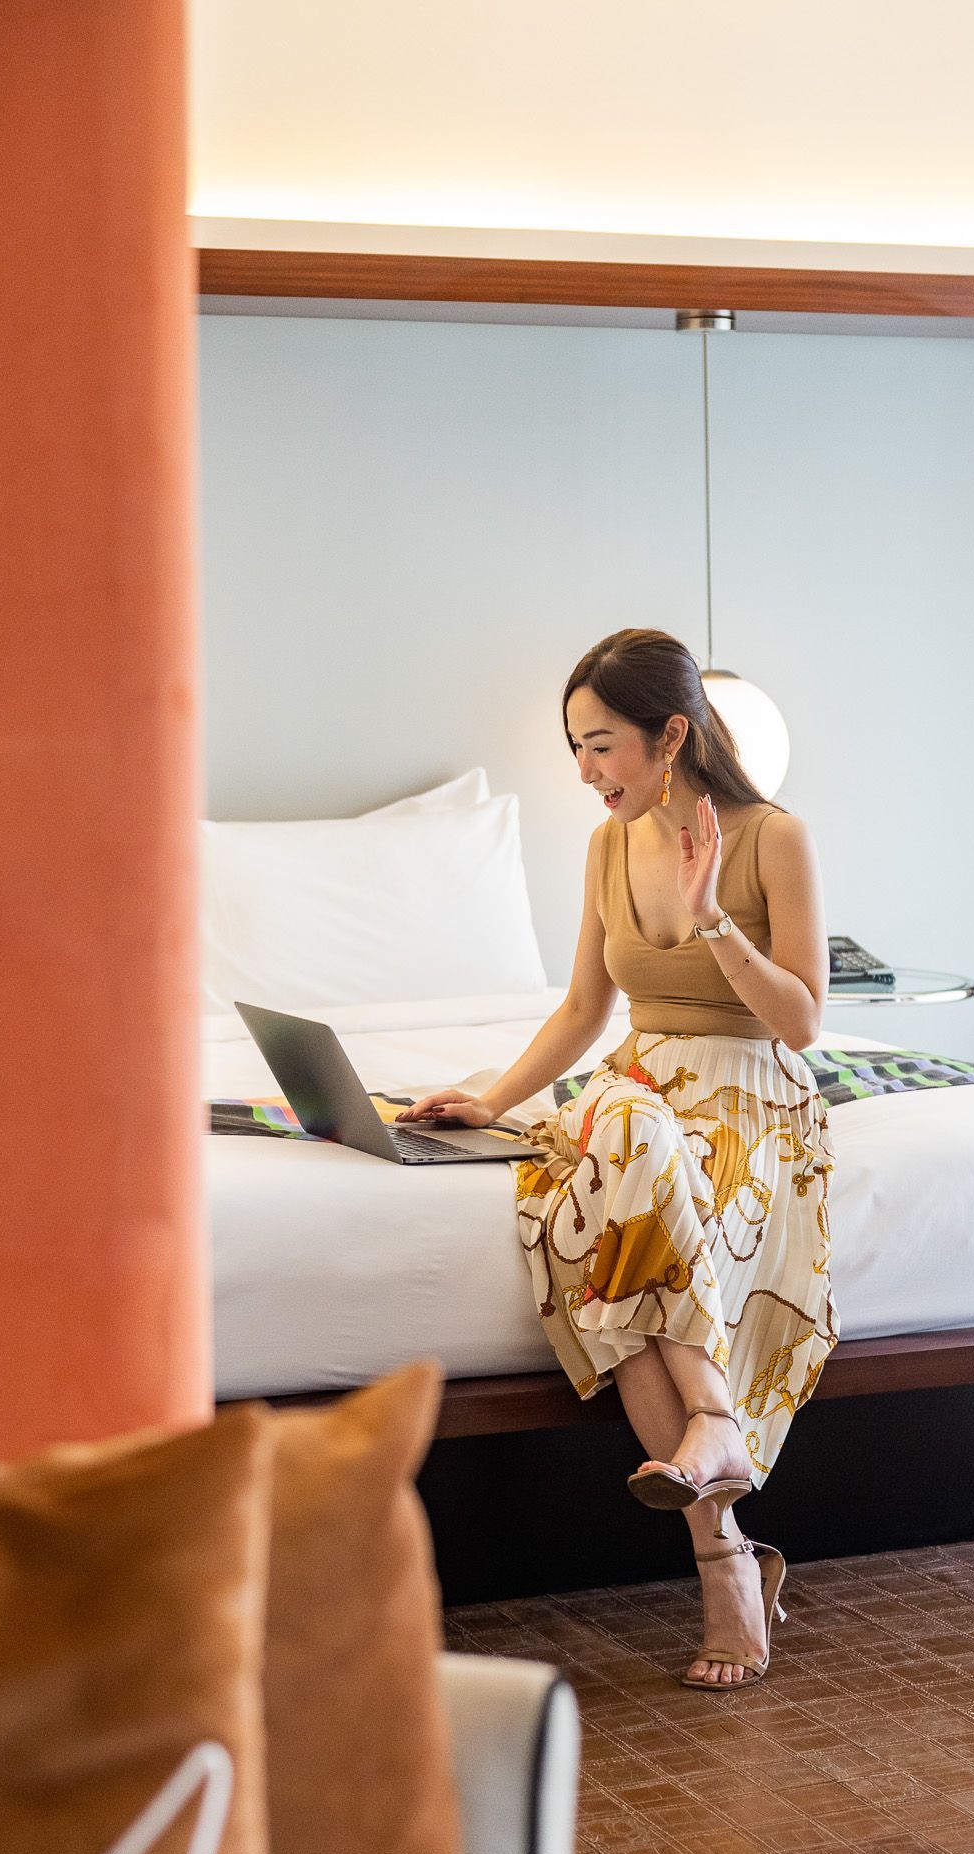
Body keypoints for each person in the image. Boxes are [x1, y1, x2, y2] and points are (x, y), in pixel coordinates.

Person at [397, 628, 840, 1687]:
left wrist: (712, 921)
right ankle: (720, 1505)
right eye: (575, 748)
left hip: (752, 1099)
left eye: (600, 746)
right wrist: (489, 1097)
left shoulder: (774, 835)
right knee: (623, 1139)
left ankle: (721, 1533)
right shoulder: (606, 846)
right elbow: (585, 1009)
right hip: (643, 1094)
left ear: (669, 734)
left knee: (616, 1219)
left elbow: (803, 1021)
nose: (584, 772)